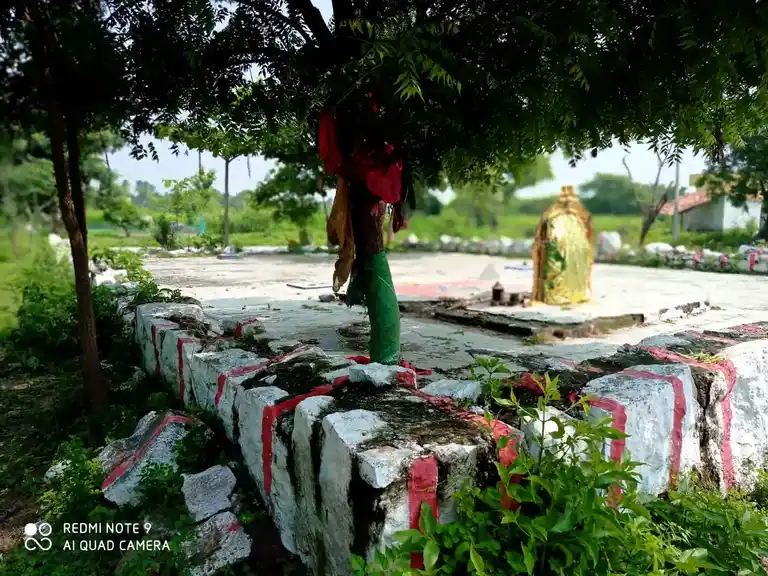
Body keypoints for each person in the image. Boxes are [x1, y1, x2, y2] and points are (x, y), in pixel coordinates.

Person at [531, 185, 593, 305]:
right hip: (580, 290)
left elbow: (545, 244)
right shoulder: (578, 220)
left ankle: (557, 292)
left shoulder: (555, 219)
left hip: (557, 290)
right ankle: (574, 292)